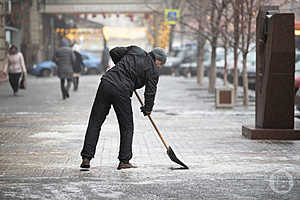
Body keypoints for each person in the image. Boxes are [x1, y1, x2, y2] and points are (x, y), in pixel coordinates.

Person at [80, 46, 167, 170]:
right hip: (122, 90)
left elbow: (114, 52)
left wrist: (121, 65)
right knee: (127, 126)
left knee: (95, 121)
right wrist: (148, 108)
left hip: (106, 82)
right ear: (157, 60)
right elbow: (150, 91)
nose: (160, 67)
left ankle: (86, 158)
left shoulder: (135, 50)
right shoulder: (153, 70)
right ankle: (124, 161)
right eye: (160, 64)